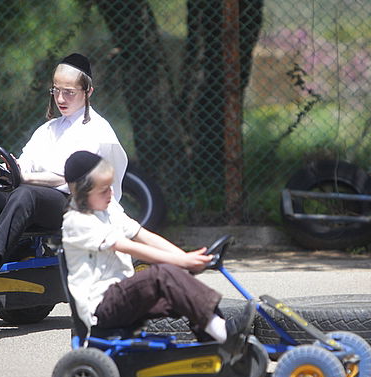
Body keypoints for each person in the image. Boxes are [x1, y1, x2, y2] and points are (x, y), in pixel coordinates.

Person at [0, 53, 128, 291]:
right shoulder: (48, 129)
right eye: (56, 90)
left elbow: (72, 178)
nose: (60, 98)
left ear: (88, 91)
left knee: (25, 193)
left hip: (75, 206)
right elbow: (22, 168)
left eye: (69, 92)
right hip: (30, 198)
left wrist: (24, 178)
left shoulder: (98, 131)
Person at [61, 150, 252, 354]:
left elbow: (143, 235)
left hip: (120, 294)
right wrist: (183, 262)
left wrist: (185, 258)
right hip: (101, 306)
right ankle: (226, 335)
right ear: (82, 192)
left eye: (110, 187)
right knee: (161, 274)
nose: (112, 194)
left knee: (182, 290)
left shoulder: (107, 209)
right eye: (104, 190)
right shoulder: (76, 221)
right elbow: (128, 246)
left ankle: (215, 342)